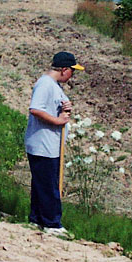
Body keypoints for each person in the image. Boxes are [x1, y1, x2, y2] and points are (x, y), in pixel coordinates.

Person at [25, 52, 83, 236]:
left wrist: (65, 109)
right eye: (72, 71)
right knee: (49, 185)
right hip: (43, 144)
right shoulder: (45, 84)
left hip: (49, 145)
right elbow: (36, 109)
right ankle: (52, 224)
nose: (72, 75)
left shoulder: (53, 86)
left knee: (41, 184)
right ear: (64, 70)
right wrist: (58, 121)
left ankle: (37, 219)